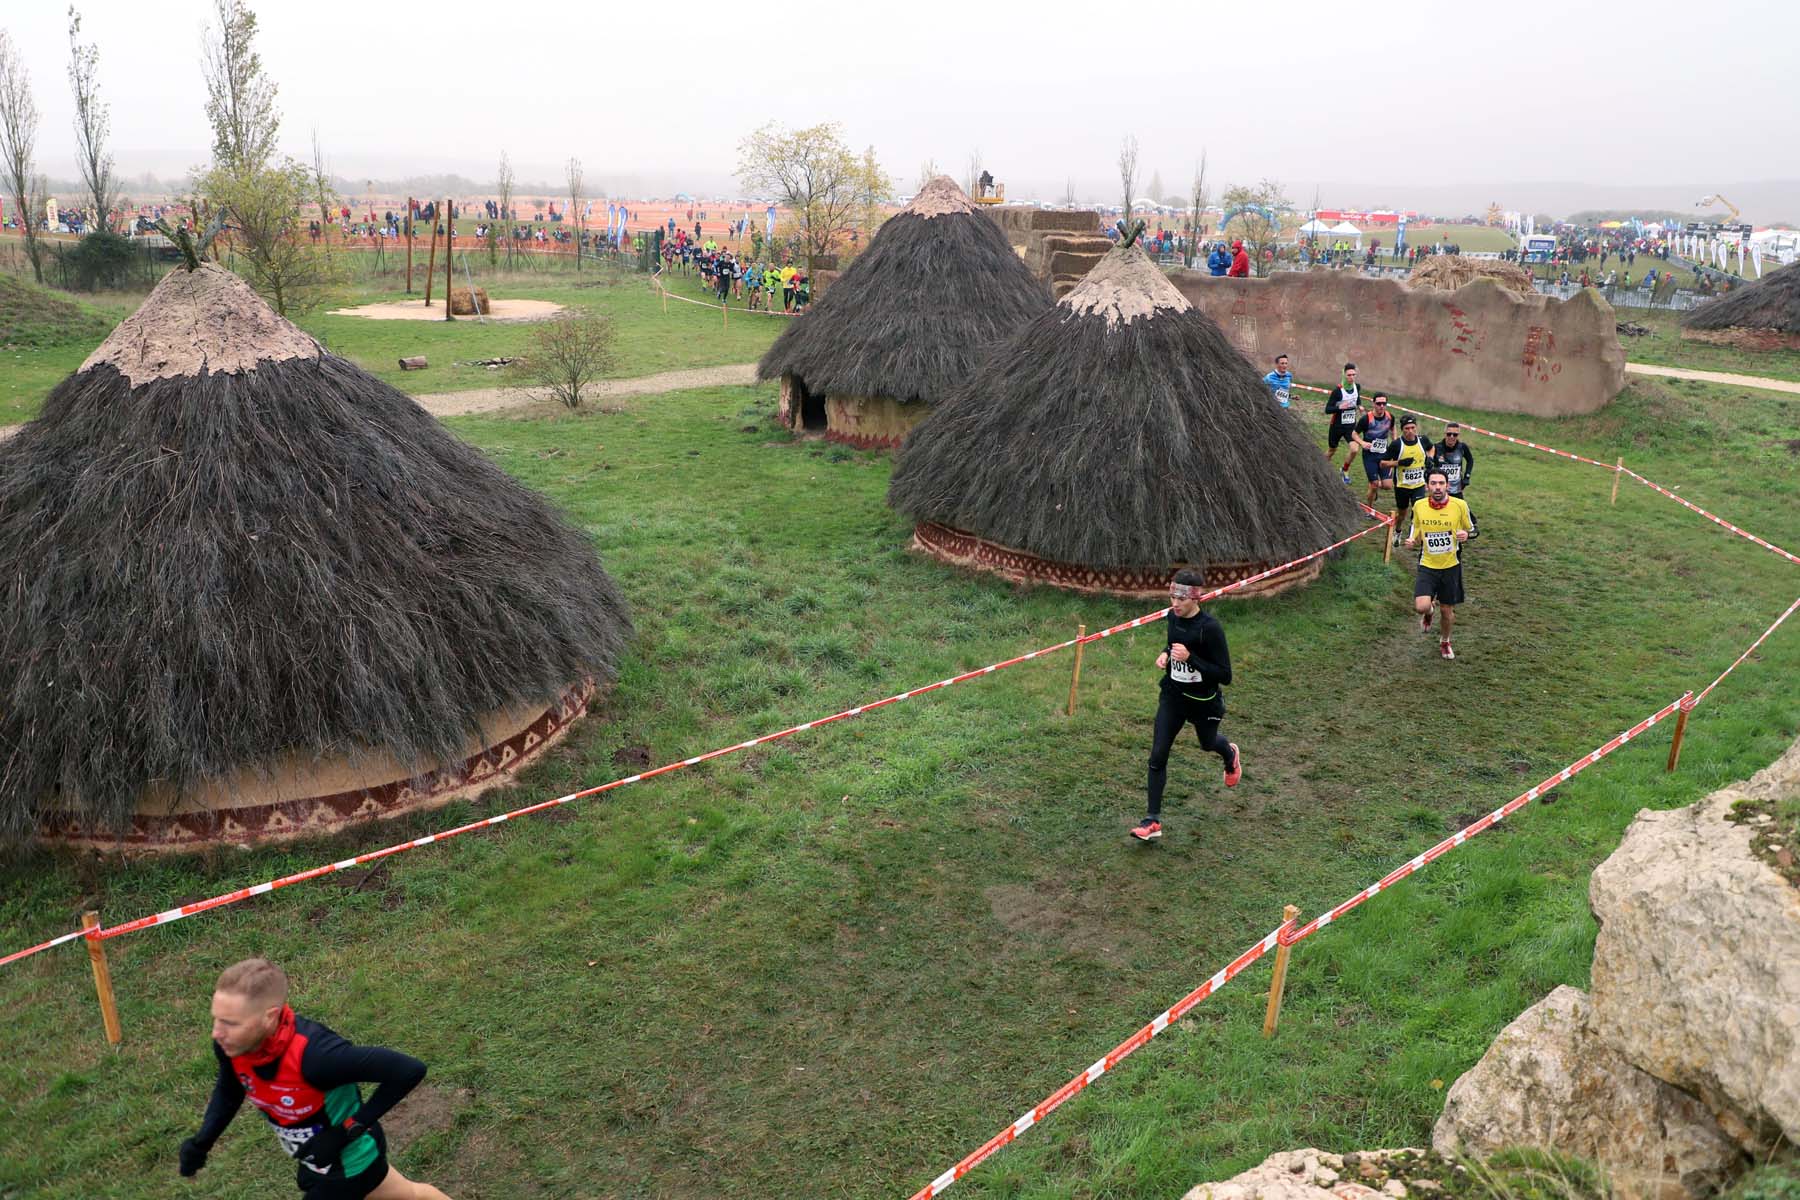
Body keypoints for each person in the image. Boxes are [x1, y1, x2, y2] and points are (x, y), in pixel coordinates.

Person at [179, 958, 452, 1199]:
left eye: (231, 1022)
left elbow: (408, 1070)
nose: (217, 1032)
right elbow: (230, 1089)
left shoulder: (317, 1056)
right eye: (216, 1019)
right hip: (316, 1161)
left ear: (270, 1017)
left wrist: (347, 1131)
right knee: (409, 1195)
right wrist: (202, 1142)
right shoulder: (233, 1046)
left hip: (351, 1163)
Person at [1133, 570, 1240, 842]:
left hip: (1204, 703)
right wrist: (1165, 654)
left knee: (1207, 744)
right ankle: (1152, 820)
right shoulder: (1172, 617)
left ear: (1195, 598)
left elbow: (1225, 675)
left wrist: (1191, 658)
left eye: (1180, 598)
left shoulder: (1210, 628)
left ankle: (1230, 755)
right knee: (1158, 755)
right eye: (1171, 597)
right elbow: (1172, 644)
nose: (1175, 604)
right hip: (1173, 697)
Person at [1407, 467, 1474, 660]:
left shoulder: (1460, 505)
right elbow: (1416, 528)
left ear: (1448, 485)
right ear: (1427, 486)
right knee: (1421, 606)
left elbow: (1473, 528)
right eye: (1433, 483)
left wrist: (1466, 535)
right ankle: (1429, 612)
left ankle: (1445, 641)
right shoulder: (1419, 505)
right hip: (1428, 564)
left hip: (1450, 566)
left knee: (1447, 611)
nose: (1437, 487)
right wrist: (1413, 540)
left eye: (1441, 483)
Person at [1381, 415, 1434, 547]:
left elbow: (1431, 448)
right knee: (1402, 514)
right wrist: (1399, 463)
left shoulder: (1423, 440)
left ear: (1416, 428)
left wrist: (1430, 458)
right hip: (1402, 486)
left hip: (1419, 484)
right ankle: (1398, 531)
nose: (1410, 431)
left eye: (1412, 428)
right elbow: (1383, 463)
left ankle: (1412, 536)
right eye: (1406, 428)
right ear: (1402, 429)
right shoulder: (1397, 444)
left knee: (1418, 509)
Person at [1352, 392, 1397, 509]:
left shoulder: (1390, 417)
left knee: (1387, 486)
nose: (1381, 406)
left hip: (1384, 455)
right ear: (1373, 403)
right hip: (1370, 456)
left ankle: (1374, 486)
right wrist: (1362, 443)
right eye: (1378, 403)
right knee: (1374, 484)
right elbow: (1354, 434)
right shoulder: (1366, 419)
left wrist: (1395, 441)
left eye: (1384, 403)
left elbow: (1393, 428)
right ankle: (1369, 508)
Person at [1323, 363, 1362, 482]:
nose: (1351, 377)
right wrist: (1339, 407)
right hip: (1337, 426)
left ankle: (1344, 470)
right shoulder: (1338, 391)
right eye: (1349, 375)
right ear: (1344, 375)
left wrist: (1360, 406)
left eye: (1353, 375)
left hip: (1350, 426)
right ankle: (1320, 469)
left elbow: (1357, 399)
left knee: (1355, 449)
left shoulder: (1357, 387)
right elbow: (1327, 409)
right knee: (1331, 451)